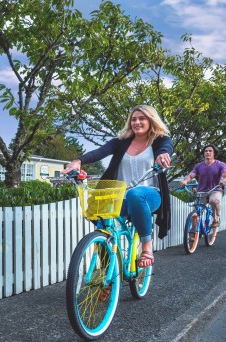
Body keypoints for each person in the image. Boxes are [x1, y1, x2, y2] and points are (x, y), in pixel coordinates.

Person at [62, 105, 173, 268]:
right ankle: (106, 279)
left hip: (150, 195)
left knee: (136, 194)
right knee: (102, 228)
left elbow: (166, 148)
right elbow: (99, 152)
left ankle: (147, 247)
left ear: (151, 120)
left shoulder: (160, 140)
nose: (137, 122)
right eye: (134, 119)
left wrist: (163, 155)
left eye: (142, 118)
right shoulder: (120, 143)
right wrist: (79, 161)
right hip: (120, 197)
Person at [179, 144, 226, 228]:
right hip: (202, 191)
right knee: (195, 211)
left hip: (215, 190)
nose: (207, 152)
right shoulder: (199, 166)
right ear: (203, 153)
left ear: (214, 153)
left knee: (214, 201)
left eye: (210, 151)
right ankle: (193, 233)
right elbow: (191, 175)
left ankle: (216, 220)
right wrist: (185, 181)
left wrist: (225, 180)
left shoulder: (220, 164)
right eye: (206, 151)